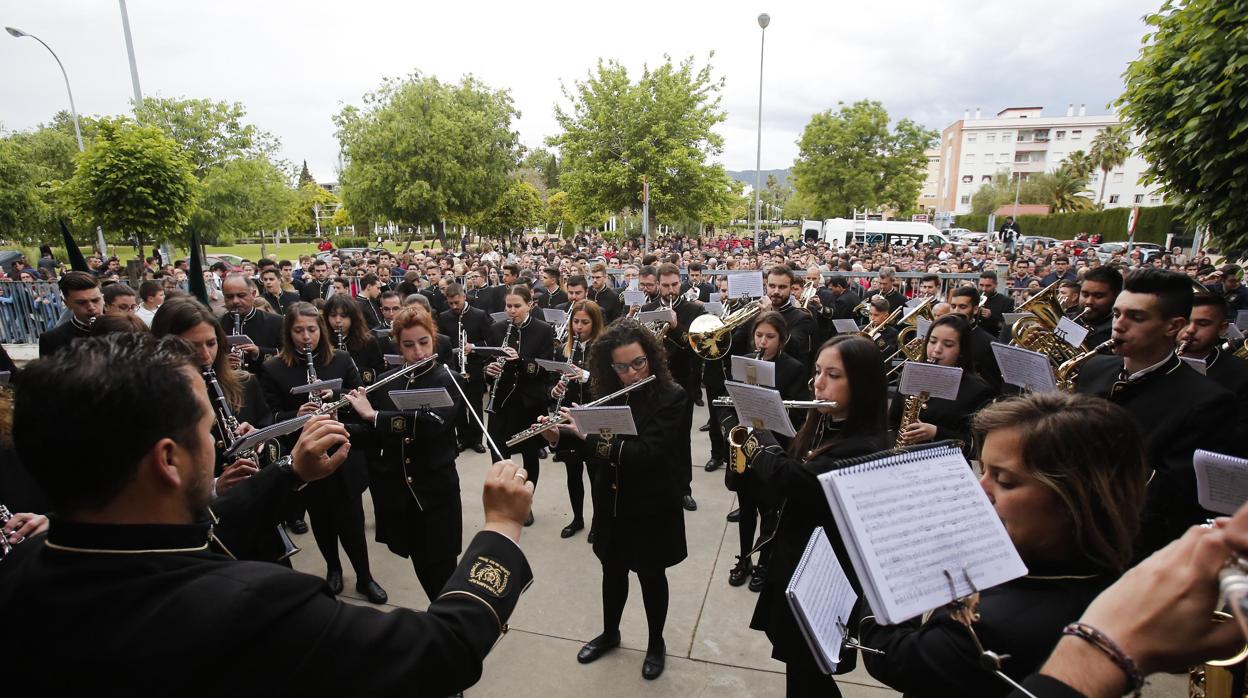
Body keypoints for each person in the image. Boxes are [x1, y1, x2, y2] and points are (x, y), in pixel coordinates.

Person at [0, 332, 535, 696]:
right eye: (206, 429)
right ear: (168, 460)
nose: (218, 442)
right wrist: (501, 528)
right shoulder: (253, 606)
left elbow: (206, 536)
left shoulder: (24, 566)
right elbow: (440, 651)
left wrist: (290, 472)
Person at [862, 392, 1148, 696]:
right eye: (984, 471)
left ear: (1074, 499)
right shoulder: (1091, 567)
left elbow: (891, 655)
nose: (979, 489)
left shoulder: (991, 628)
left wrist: (894, 557)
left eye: (1005, 481)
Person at [733, 335, 891, 695]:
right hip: (798, 558)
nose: (818, 383)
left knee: (809, 672)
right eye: (818, 371)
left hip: (822, 576)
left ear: (863, 385)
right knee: (802, 668)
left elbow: (793, 478)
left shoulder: (863, 444)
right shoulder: (827, 420)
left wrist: (756, 434)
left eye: (833, 375)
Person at [541, 319, 688, 680]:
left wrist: (587, 436)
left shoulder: (672, 397)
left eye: (638, 363)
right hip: (612, 501)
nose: (632, 374)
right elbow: (592, 451)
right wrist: (558, 438)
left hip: (652, 504)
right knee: (612, 571)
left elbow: (647, 454)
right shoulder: (607, 393)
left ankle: (656, 643)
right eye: (621, 368)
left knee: (651, 576)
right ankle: (610, 633)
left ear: (651, 356)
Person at [1076, 268, 1238, 558]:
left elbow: (1172, 497)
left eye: (1136, 317)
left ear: (1173, 326)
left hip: (1131, 545)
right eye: (1117, 314)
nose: (1118, 326)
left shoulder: (1209, 402)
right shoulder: (1095, 368)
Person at [260, 302, 387, 604]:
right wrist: (296, 414)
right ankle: (333, 568)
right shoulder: (274, 368)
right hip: (306, 456)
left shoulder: (340, 358)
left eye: (312, 330)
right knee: (321, 518)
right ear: (288, 333)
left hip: (343, 451)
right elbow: (268, 416)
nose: (306, 337)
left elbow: (361, 396)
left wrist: (337, 396)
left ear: (322, 330)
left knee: (352, 520)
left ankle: (365, 576)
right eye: (299, 331)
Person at [343, 307, 467, 598]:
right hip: (400, 497)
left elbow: (431, 425)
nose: (418, 352)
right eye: (409, 345)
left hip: (436, 497)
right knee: (421, 565)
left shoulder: (448, 379)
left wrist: (374, 415)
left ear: (433, 338)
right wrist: (335, 428)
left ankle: (450, 623)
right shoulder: (388, 380)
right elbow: (376, 435)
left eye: (424, 342)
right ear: (398, 345)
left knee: (443, 574)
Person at [721, 311, 808, 591]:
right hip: (745, 448)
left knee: (770, 514)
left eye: (770, 337)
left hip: (773, 449)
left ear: (782, 339)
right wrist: (731, 428)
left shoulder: (793, 368)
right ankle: (744, 559)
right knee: (746, 510)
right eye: (759, 335)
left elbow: (797, 415)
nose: (763, 342)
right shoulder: (744, 363)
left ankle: (764, 563)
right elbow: (730, 402)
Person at [485, 285, 556, 526]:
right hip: (501, 401)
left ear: (530, 305)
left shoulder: (543, 330)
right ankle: (504, 501)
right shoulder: (496, 329)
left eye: (517, 306)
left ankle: (526, 502)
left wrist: (520, 361)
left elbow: (544, 368)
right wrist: (489, 370)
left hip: (529, 402)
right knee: (499, 453)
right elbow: (488, 360)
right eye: (508, 306)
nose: (512, 311)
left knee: (529, 454)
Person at [642, 263, 706, 511]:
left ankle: (684, 489)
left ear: (680, 283)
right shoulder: (648, 309)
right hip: (653, 383)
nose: (670, 290)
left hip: (682, 383)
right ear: (658, 285)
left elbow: (697, 348)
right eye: (666, 285)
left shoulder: (693, 309)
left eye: (674, 285)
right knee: (653, 436)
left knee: (681, 438)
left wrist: (675, 327)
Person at [890, 314, 995, 448]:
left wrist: (937, 433)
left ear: (962, 350)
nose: (937, 350)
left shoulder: (978, 391)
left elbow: (977, 446)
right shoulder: (911, 374)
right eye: (932, 341)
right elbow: (892, 422)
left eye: (948, 345)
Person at [548, 299, 604, 539]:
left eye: (585, 322)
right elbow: (552, 382)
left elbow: (610, 384)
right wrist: (555, 390)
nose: (579, 327)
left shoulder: (603, 349)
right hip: (568, 416)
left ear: (595, 323)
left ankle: (598, 522)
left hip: (593, 418)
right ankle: (577, 518)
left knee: (595, 475)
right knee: (572, 472)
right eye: (576, 322)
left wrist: (585, 376)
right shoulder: (564, 349)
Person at [1177, 293, 1248, 443]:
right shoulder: (1154, 359)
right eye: (1185, 322)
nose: (1190, 330)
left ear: (1222, 329)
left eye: (1203, 323)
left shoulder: (1242, 374)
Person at [439, 282, 492, 454]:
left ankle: (477, 440)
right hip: (453, 367)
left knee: (475, 403)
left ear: (464, 296)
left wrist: (474, 347)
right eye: (450, 303)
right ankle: (463, 438)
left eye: (457, 302)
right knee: (458, 406)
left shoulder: (479, 315)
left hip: (474, 366)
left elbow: (490, 341)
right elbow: (442, 342)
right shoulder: (444, 317)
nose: (454, 306)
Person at [220, 273, 283, 373]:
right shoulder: (217, 324)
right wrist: (223, 363)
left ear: (253, 294)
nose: (235, 301)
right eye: (229, 297)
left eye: (241, 295)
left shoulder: (276, 322)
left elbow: (287, 355)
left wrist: (259, 352)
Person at [323, 294, 386, 386]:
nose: (337, 320)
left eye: (343, 315)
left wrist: (354, 370)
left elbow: (379, 373)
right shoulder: (323, 341)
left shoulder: (368, 341)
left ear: (353, 317)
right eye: (333, 315)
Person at [38, 271, 101, 357]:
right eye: (81, 303)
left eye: (95, 300)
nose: (91, 307)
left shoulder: (117, 329)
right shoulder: (52, 339)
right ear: (67, 304)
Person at [1072, 265, 1121, 347]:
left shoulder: (1117, 332)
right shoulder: (1071, 319)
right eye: (1085, 295)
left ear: (1116, 297)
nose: (1089, 302)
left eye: (1098, 296)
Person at [977, 271, 1015, 337]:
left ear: (996, 285)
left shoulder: (1007, 301)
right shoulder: (973, 298)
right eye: (981, 285)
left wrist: (991, 317)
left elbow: (1008, 326)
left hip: (994, 338)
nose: (984, 289)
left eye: (988, 286)